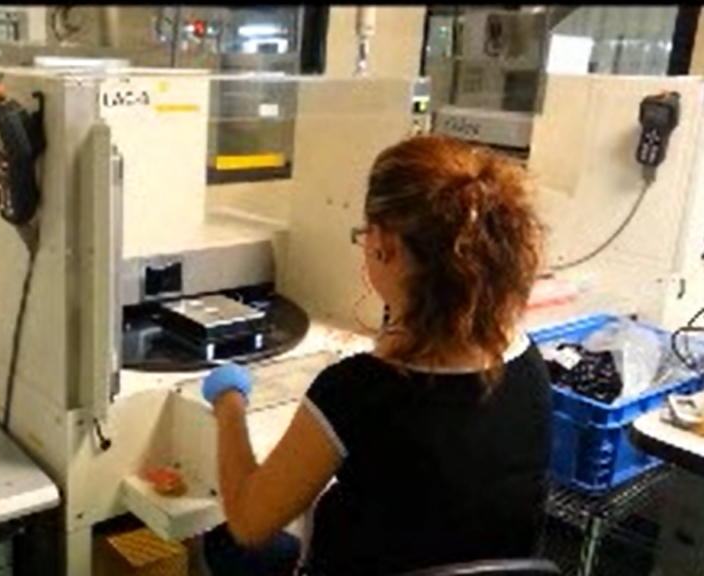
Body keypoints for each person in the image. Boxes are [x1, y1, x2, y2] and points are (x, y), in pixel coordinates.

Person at [199, 134, 553, 576]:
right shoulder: (527, 364)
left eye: (364, 234)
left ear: (385, 244)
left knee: (227, 545)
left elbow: (250, 522)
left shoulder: (358, 390)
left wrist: (229, 401)